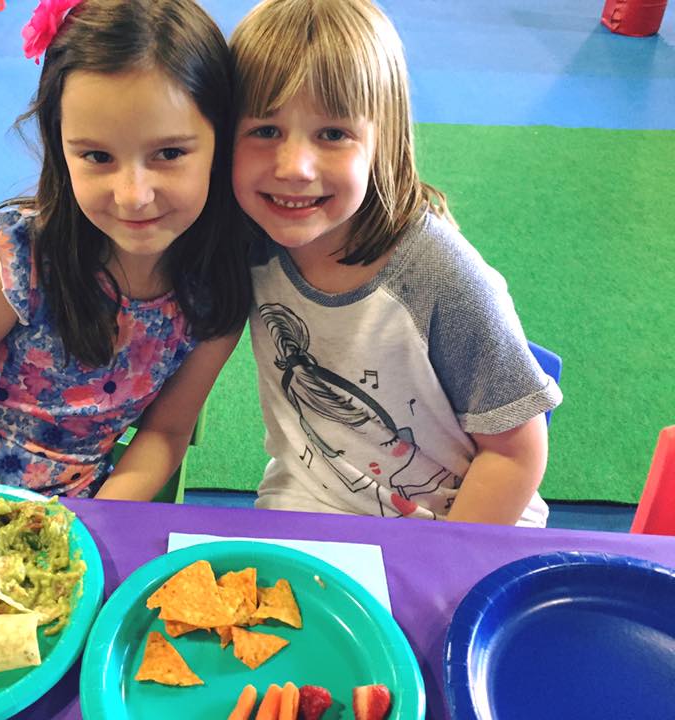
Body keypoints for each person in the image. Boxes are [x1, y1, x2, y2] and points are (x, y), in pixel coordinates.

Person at [0, 0, 250, 499]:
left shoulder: (215, 291)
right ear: (59, 146)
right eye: (97, 156)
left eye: (170, 153)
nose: (133, 194)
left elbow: (165, 432)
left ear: (222, 141)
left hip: (67, 520)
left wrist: (97, 524)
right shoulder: (19, 265)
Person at [230, 0, 562, 525]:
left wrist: (445, 553)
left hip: (458, 517)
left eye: (332, 134)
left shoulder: (439, 273)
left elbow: (514, 452)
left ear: (380, 141)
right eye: (265, 130)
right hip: (310, 494)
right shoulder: (246, 244)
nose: (294, 167)